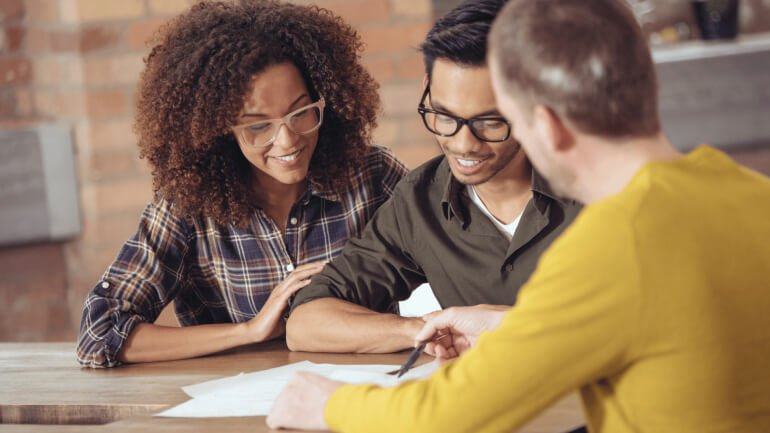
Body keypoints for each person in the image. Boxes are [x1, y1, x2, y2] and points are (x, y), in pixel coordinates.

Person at [267, 0, 770, 432]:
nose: (466, 142)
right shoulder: (750, 192)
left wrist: (327, 404)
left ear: (543, 124)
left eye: (497, 120)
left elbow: (446, 416)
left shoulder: (613, 243)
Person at [76, 0, 408, 368]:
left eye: (301, 112)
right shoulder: (188, 207)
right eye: (258, 126)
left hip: (364, 393)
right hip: (240, 398)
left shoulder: (373, 176)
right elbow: (100, 333)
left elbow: (451, 256)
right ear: (218, 131)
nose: (288, 141)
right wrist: (248, 331)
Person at [286, 0, 581, 354]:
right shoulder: (420, 200)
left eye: (489, 122)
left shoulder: (597, 188)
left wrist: (509, 324)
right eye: (445, 116)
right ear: (427, 88)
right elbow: (306, 323)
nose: (463, 144)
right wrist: (426, 329)